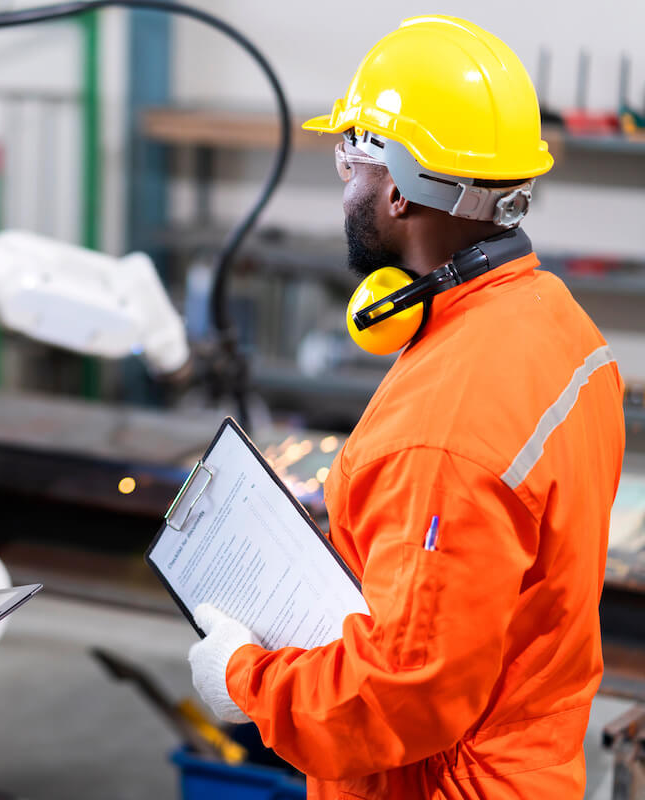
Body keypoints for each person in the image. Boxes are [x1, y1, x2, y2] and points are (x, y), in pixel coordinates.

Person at [187, 16, 625, 799]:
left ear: (396, 187)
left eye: (349, 158)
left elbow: (399, 697)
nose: (344, 187)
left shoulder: (441, 436)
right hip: (535, 762)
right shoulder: (560, 324)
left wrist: (245, 680)